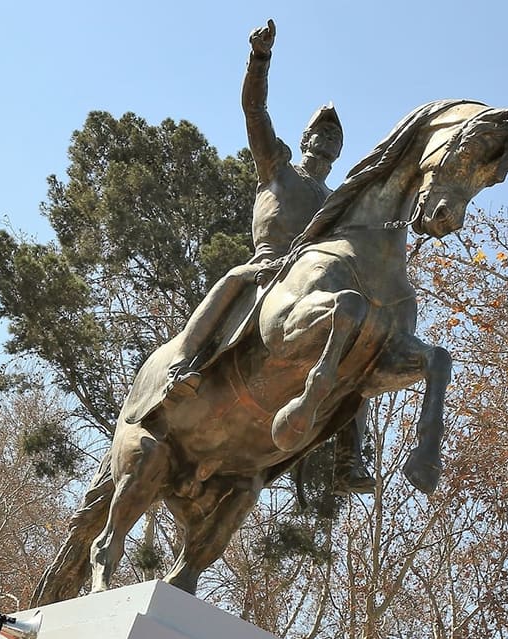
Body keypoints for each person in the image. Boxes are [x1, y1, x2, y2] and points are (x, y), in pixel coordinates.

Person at [128, 19, 374, 492]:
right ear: (304, 140)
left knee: (356, 352)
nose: (326, 141)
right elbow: (254, 109)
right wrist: (258, 60)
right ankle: (183, 369)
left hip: (311, 283)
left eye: (334, 139)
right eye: (320, 134)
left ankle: (349, 457)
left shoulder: (336, 201)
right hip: (268, 266)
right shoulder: (277, 166)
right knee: (234, 281)